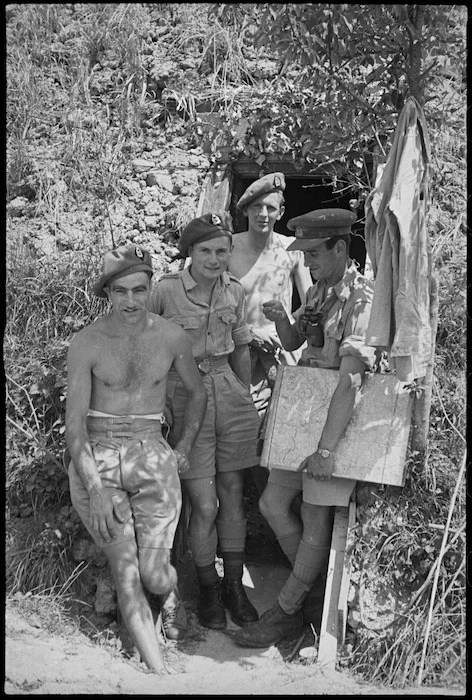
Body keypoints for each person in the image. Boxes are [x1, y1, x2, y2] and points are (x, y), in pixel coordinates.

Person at [232, 208, 376, 648]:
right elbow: (298, 342)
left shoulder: (363, 299)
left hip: (335, 426)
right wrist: (281, 318)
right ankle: (311, 596)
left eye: (313, 253)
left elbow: (351, 380)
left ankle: (289, 610)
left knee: (315, 516)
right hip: (304, 417)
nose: (306, 262)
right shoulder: (318, 289)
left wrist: (327, 450)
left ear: (340, 247)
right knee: (274, 502)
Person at [65, 244, 207, 674]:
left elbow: (197, 393)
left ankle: (170, 591)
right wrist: (97, 489)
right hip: (99, 456)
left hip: (151, 452)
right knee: (125, 571)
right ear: (107, 292)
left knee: (153, 576)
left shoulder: (171, 338)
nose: (130, 301)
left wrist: (181, 450)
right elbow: (75, 429)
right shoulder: (87, 342)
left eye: (139, 290)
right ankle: (159, 671)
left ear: (150, 289)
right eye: (120, 291)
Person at [148, 211, 260, 632]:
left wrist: (243, 393)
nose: (214, 259)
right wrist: (160, 405)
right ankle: (208, 587)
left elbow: (242, 346)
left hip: (229, 394)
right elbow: (148, 350)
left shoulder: (236, 290)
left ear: (231, 252)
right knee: (205, 503)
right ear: (190, 252)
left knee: (232, 492)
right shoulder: (166, 292)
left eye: (222, 250)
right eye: (205, 251)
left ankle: (234, 585)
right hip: (184, 394)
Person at [229, 172, 312, 490]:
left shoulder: (291, 249)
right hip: (239, 355)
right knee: (242, 432)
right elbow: (214, 302)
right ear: (246, 210)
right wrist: (247, 331)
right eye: (258, 207)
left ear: (280, 212)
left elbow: (310, 299)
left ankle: (278, 504)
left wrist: (286, 329)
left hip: (281, 353)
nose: (264, 214)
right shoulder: (229, 249)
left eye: (272, 208)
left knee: (285, 431)